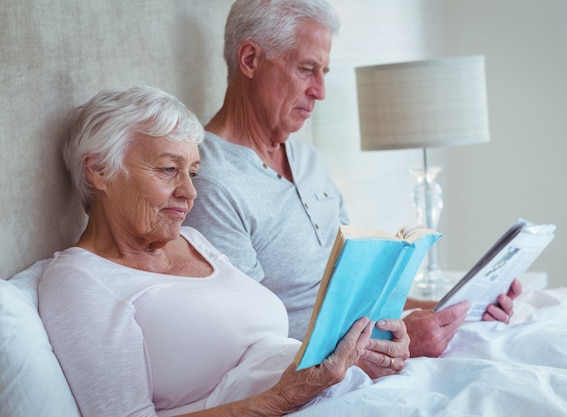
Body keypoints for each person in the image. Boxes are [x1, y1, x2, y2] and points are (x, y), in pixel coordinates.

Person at [38, 86, 408, 417]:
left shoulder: (196, 242)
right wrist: (285, 397)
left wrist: (359, 358)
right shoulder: (80, 282)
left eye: (192, 173)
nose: (190, 193)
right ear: (99, 171)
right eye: (169, 169)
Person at [183, 0, 523, 358]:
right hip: (318, 375)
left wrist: (450, 310)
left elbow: (357, 290)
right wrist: (397, 339)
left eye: (324, 72)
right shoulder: (210, 182)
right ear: (250, 59)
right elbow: (253, 347)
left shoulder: (308, 158)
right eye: (306, 68)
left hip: (365, 344)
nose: (320, 90)